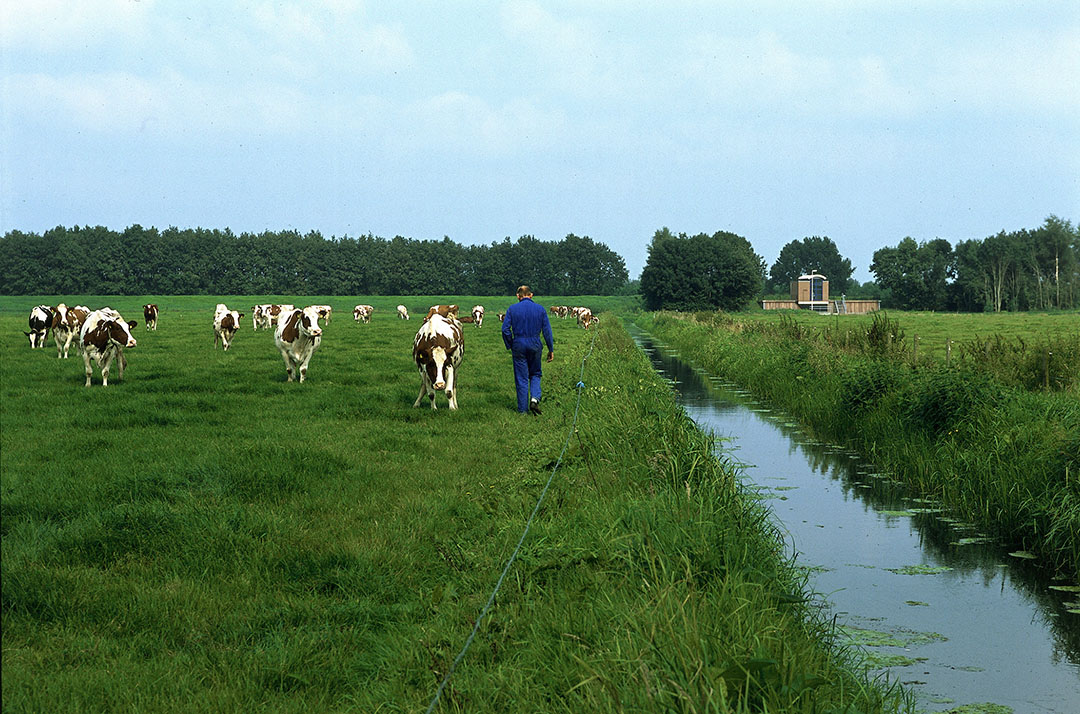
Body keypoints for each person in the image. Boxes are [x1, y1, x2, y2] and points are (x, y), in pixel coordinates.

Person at [502, 285, 554, 414]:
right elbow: (547, 331)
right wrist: (550, 349)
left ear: (518, 296)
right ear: (531, 295)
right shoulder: (540, 309)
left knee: (521, 377)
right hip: (535, 343)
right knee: (536, 373)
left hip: (519, 343)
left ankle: (522, 410)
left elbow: (505, 329)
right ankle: (535, 399)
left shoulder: (512, 309)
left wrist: (510, 344)